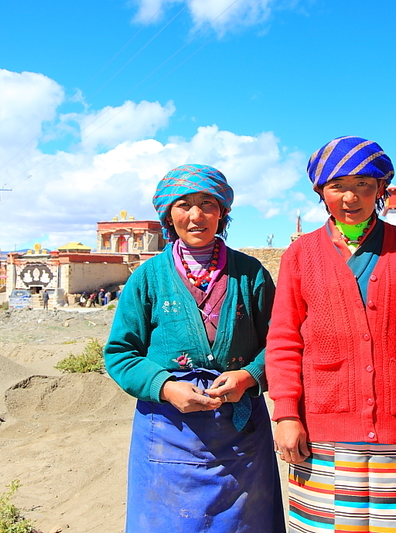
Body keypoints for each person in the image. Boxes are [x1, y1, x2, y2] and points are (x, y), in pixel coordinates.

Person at [266, 136, 396, 533]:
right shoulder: (301, 255)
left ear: (380, 190)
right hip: (321, 433)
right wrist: (287, 414)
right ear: (321, 191)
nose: (350, 197)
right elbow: (284, 340)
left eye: (363, 185)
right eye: (337, 185)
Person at [104, 164, 286, 533]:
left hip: (240, 436)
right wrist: (167, 388)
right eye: (184, 205)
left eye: (208, 203)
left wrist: (249, 376)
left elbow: (281, 343)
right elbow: (121, 352)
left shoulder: (251, 274)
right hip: (168, 432)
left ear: (223, 212)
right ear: (169, 215)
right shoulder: (148, 277)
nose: (196, 215)